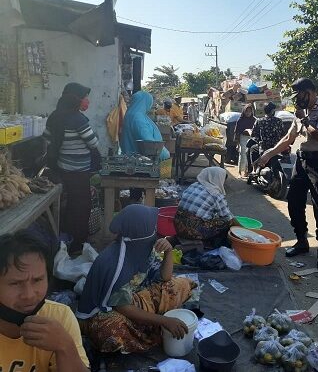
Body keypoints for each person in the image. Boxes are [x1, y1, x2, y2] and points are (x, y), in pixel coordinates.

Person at [77, 205, 194, 354]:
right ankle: (151, 332)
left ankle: (150, 323)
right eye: (153, 227)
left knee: (180, 285)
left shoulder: (141, 248)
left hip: (133, 297)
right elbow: (121, 307)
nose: (156, 231)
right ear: (142, 233)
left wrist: (169, 251)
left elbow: (165, 277)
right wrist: (164, 321)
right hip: (104, 312)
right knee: (110, 330)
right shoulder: (114, 263)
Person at [257, 78, 318, 272]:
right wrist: (269, 154)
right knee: (294, 202)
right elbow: (288, 138)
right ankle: (302, 241)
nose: (297, 99)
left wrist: (305, 120)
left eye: (300, 95)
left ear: (310, 92)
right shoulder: (300, 114)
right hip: (301, 161)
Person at [0, 230, 89, 371]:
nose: (29, 295)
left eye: (37, 280)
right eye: (15, 283)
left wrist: (65, 347)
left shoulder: (59, 317)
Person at [43, 82, 100, 253]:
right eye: (85, 98)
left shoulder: (54, 116)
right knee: (82, 206)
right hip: (79, 172)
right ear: (75, 99)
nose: (87, 101)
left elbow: (46, 139)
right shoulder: (78, 119)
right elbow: (93, 143)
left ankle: (66, 239)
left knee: (68, 204)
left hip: (62, 169)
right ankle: (77, 245)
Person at [175, 167, 240, 241]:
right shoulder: (215, 194)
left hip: (177, 225)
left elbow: (180, 201)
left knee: (212, 216)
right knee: (227, 221)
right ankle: (213, 242)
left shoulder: (193, 185)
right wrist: (243, 229)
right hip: (193, 231)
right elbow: (229, 217)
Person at [120, 90, 170, 161]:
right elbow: (149, 143)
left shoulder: (131, 114)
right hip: (141, 161)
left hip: (130, 157)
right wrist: (164, 154)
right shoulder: (138, 117)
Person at [247, 102, 285, 172]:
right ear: (273, 111)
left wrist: (249, 131)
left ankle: (254, 169)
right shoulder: (279, 121)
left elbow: (253, 134)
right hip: (277, 148)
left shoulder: (259, 121)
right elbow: (283, 134)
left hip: (263, 148)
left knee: (252, 148)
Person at [234, 104, 256, 177]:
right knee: (243, 155)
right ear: (244, 111)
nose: (248, 113)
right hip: (242, 138)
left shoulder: (254, 120)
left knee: (250, 155)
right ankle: (240, 171)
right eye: (247, 111)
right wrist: (237, 143)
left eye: (250, 112)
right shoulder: (240, 120)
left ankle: (247, 171)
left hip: (251, 138)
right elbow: (237, 132)